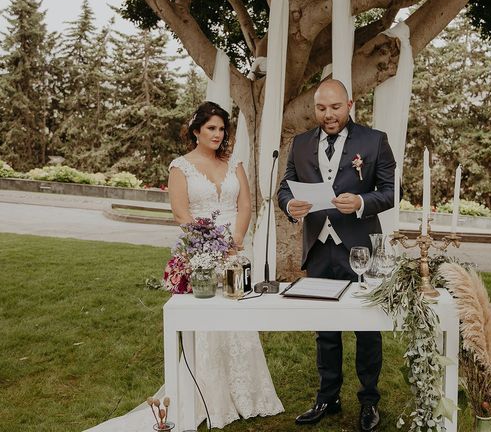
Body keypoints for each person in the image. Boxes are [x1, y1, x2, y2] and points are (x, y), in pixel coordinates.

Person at [85, 102, 283, 431]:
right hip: (202, 253)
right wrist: (210, 245)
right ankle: (210, 397)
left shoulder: (235, 162)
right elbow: (181, 214)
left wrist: (235, 240)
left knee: (238, 317)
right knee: (207, 319)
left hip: (235, 250)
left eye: (222, 129)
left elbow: (245, 203)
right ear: (196, 132)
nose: (218, 135)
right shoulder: (181, 167)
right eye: (211, 129)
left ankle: (249, 393)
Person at [277, 79, 395, 432]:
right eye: (321, 108)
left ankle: (369, 401)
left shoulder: (374, 141)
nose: (328, 115)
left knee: (367, 327)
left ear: (350, 104)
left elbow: (390, 193)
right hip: (318, 248)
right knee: (325, 329)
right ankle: (328, 396)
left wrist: (361, 202)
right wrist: (289, 205)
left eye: (335, 107)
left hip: (360, 249)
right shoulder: (300, 144)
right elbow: (285, 187)